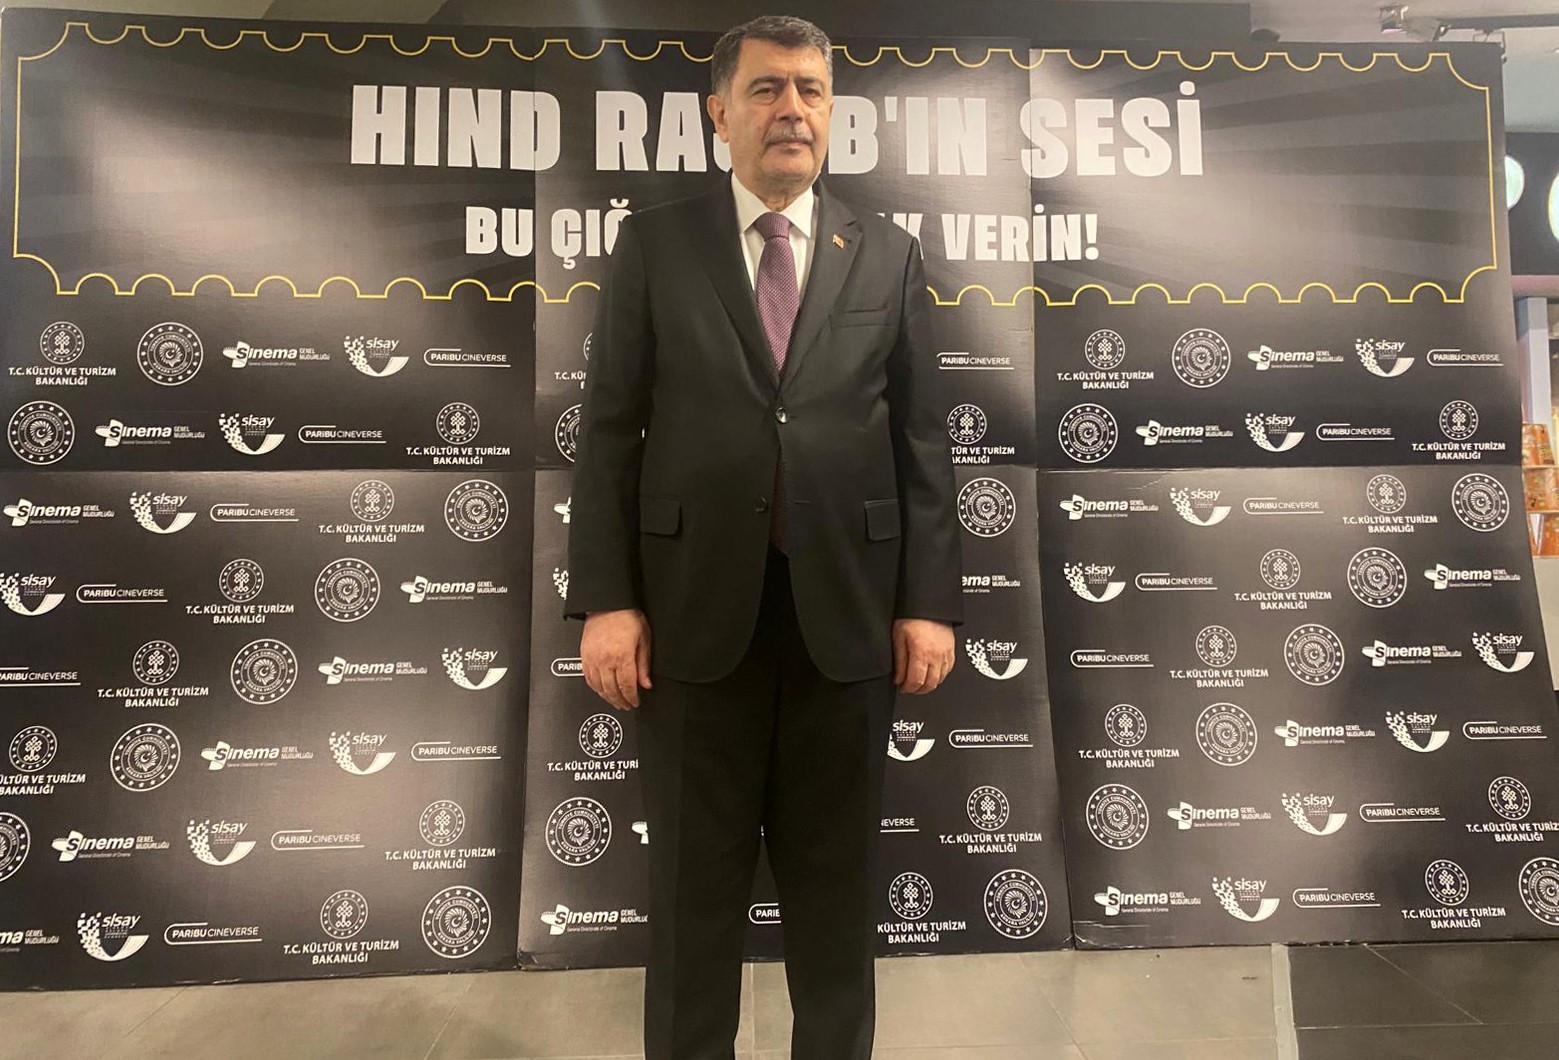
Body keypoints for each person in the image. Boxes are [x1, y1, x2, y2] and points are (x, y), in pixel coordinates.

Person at [564, 15, 963, 1059]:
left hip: (847, 622)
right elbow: (608, 428)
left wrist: (927, 603)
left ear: (831, 112)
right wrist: (607, 599)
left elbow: (922, 440)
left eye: (810, 90)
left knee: (836, 897)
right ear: (719, 112)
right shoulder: (656, 243)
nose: (792, 109)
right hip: (691, 620)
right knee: (690, 899)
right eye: (766, 89)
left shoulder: (887, 252)